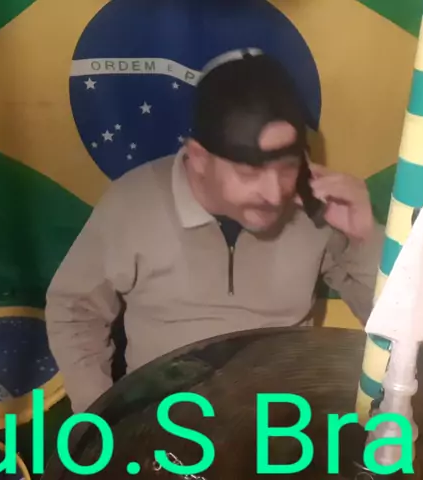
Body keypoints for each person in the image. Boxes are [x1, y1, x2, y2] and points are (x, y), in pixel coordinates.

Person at [46, 50, 384, 413]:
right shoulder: (133, 204)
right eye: (250, 172)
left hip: (281, 418)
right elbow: (75, 310)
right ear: (199, 158)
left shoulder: (317, 206)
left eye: (287, 167)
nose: (275, 194)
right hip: (160, 418)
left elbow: (393, 331)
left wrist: (365, 240)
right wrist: (98, 416)